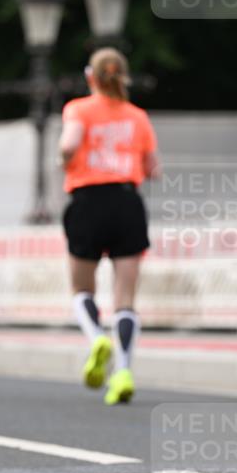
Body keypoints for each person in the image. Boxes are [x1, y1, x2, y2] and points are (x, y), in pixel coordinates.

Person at [59, 47, 160, 405]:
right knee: (126, 297)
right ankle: (123, 372)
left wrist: (65, 159)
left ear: (91, 77)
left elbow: (69, 145)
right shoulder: (138, 116)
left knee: (81, 288)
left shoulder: (79, 109)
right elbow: (152, 168)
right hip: (127, 201)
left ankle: (95, 338)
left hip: (88, 201)